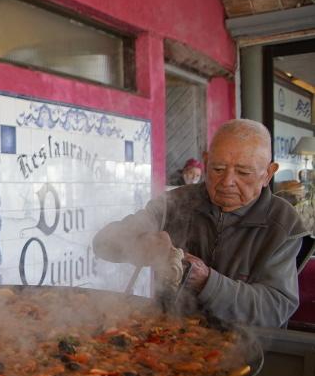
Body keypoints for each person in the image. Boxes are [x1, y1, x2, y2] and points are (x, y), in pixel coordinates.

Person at [93, 119, 308, 327]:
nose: (227, 182)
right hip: (167, 338)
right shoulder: (176, 202)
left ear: (267, 174)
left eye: (243, 172)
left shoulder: (282, 223)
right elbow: (102, 244)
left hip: (245, 350)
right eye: (218, 169)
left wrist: (207, 282)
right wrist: (136, 245)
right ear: (205, 162)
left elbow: (275, 309)